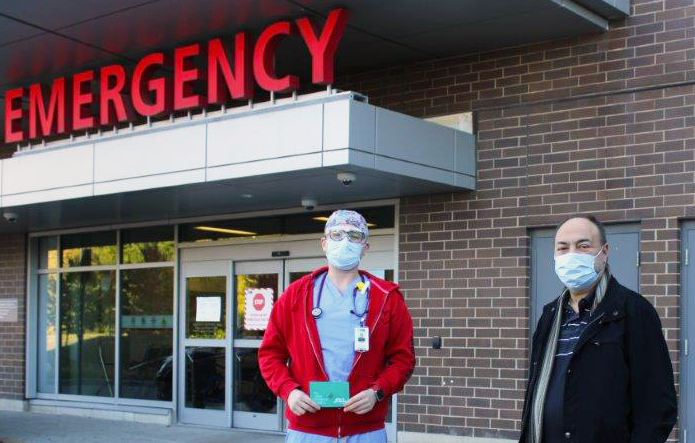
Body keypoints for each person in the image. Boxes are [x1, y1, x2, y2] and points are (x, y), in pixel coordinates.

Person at [259, 209, 415, 442]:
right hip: (307, 429)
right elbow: (270, 354)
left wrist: (377, 392)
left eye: (354, 236)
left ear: (365, 247)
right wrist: (288, 391)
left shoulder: (387, 298)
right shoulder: (295, 296)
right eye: (336, 234)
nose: (345, 242)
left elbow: (404, 359)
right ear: (324, 243)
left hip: (366, 429)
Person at [519, 215, 677, 443]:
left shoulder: (632, 311)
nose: (571, 254)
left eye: (583, 246)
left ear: (604, 252)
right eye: (562, 248)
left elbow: (657, 406)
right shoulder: (550, 316)